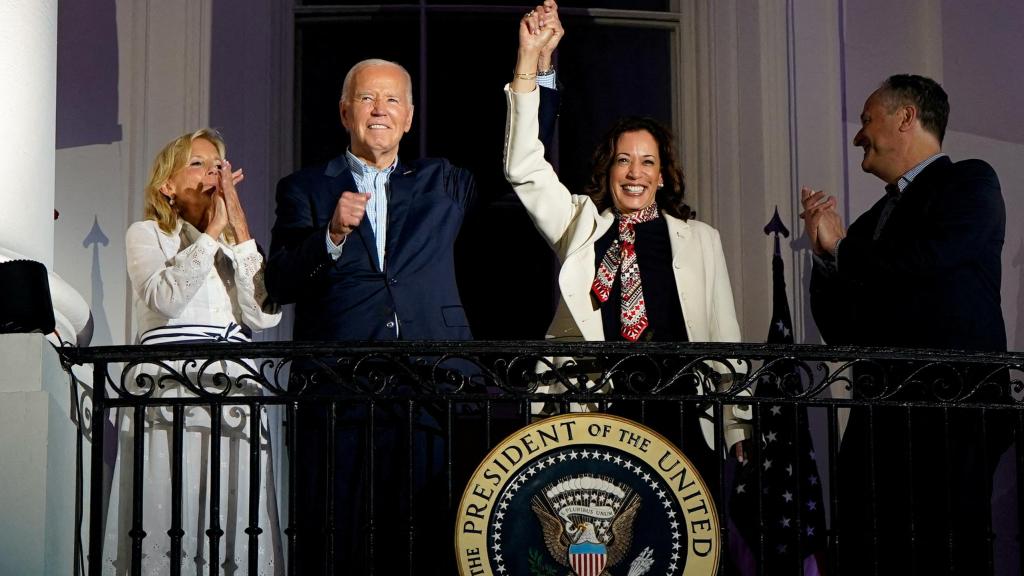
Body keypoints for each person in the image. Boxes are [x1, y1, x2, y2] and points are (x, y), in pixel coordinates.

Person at [265, 5, 563, 573]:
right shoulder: (305, 187)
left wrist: (533, 67)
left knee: (429, 538)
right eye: (368, 99)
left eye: (392, 100)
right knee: (339, 540)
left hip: (435, 385)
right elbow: (279, 282)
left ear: (408, 117)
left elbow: (522, 154)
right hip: (340, 392)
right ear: (345, 111)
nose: (380, 110)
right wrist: (328, 235)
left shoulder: (440, 181)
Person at [503, 4, 750, 485]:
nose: (634, 172)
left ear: (662, 175)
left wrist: (738, 423)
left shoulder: (700, 240)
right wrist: (527, 64)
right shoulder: (581, 225)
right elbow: (523, 168)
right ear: (608, 170)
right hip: (598, 411)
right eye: (623, 160)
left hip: (682, 413)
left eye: (646, 162)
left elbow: (725, 336)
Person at [801, 74, 1007, 574]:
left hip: (952, 414)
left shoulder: (970, 181)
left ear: (906, 118)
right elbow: (845, 331)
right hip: (880, 421)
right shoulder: (874, 221)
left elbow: (933, 259)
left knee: (945, 555)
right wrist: (827, 260)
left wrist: (843, 249)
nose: (858, 136)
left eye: (868, 120)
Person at [104, 129, 283, 574]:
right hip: (170, 391)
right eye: (199, 163)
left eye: (219, 164)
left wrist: (238, 228)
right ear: (167, 184)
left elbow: (264, 316)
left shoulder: (233, 248)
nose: (213, 172)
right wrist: (211, 234)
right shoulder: (147, 234)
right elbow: (165, 298)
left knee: (231, 505)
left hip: (233, 391)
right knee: (172, 501)